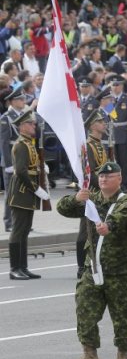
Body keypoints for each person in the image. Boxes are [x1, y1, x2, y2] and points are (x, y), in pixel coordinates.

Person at [57, 162, 127, 359]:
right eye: (101, 177)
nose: (103, 179)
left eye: (109, 176)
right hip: (92, 267)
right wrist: (76, 198)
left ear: (119, 179)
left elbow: (123, 217)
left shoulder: (126, 201)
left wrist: (108, 226)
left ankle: (123, 355)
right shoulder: (91, 199)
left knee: (121, 314)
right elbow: (62, 208)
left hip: (119, 269)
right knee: (85, 310)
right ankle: (89, 354)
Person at [7, 109, 49, 280]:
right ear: (22, 126)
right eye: (30, 123)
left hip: (27, 192)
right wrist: (36, 189)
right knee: (18, 230)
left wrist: (42, 168)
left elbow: (31, 167)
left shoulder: (29, 143)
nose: (34, 125)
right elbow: (21, 171)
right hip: (21, 192)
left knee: (24, 231)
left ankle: (23, 267)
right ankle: (14, 268)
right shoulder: (20, 145)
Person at [75, 111, 109, 279]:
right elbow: (90, 171)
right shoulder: (88, 145)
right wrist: (105, 184)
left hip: (101, 191)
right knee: (86, 229)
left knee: (97, 229)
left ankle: (95, 262)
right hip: (92, 192)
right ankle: (81, 266)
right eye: (100, 121)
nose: (104, 124)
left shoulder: (100, 144)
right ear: (93, 126)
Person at [1, 87, 26, 233]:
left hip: (22, 160)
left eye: (23, 99)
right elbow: (3, 143)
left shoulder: (24, 115)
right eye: (20, 99)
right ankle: (9, 222)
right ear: (12, 101)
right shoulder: (5, 118)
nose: (23, 101)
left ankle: (20, 221)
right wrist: (9, 164)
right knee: (10, 193)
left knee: (22, 192)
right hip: (11, 160)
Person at [108, 78, 127, 192]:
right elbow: (110, 117)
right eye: (113, 85)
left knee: (123, 161)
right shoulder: (109, 100)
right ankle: (115, 184)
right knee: (113, 160)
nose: (115, 87)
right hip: (111, 133)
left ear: (121, 86)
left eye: (117, 85)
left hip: (124, 134)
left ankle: (125, 183)